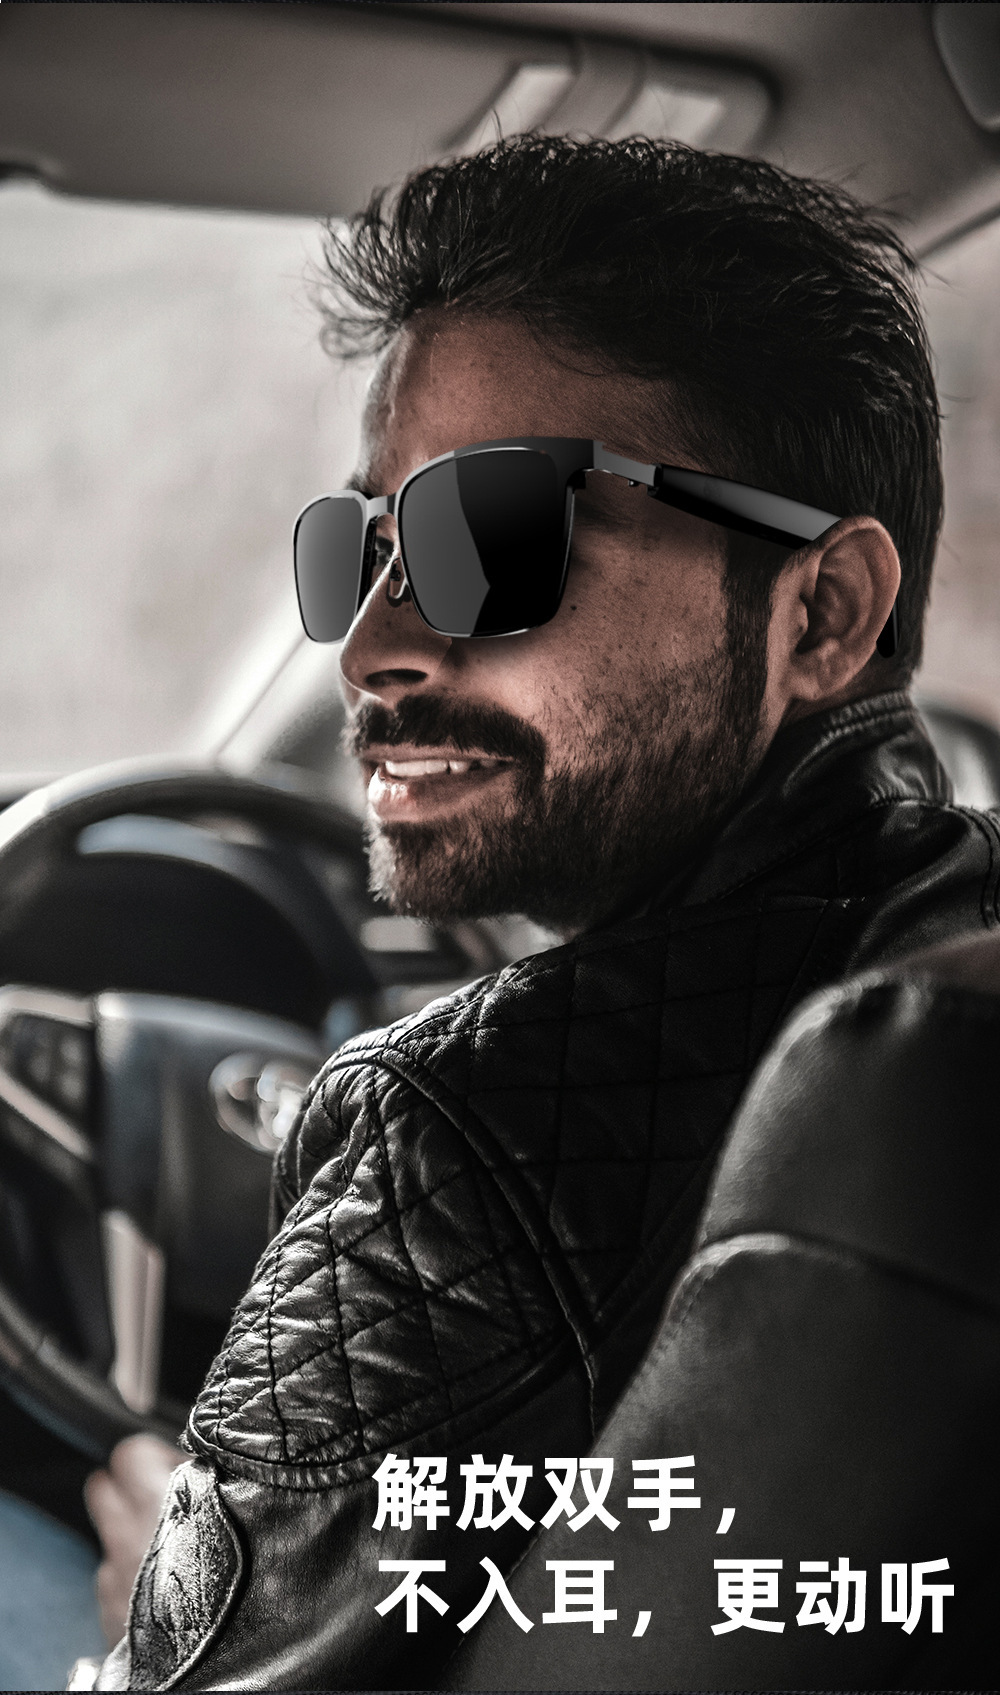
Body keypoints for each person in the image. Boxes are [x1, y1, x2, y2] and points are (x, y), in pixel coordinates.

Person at [85, 135, 1000, 1690]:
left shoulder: (452, 1144)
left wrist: (142, 1619)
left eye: (493, 536)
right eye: (362, 550)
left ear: (824, 611)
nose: (369, 648)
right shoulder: (954, 939)